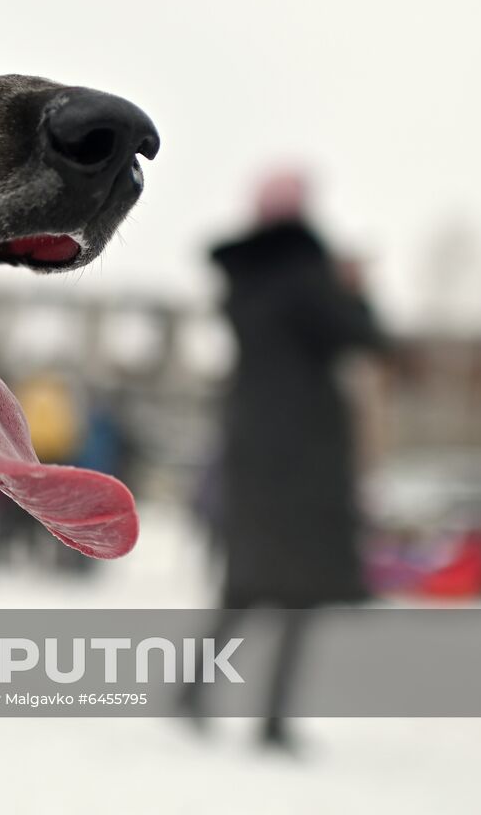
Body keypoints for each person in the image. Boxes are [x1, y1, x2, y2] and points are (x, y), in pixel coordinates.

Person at [186, 169, 389, 749]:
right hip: (305, 450)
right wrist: (353, 289)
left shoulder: (243, 279)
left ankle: (194, 691)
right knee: (301, 589)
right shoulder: (307, 277)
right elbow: (366, 337)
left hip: (251, 443)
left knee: (246, 585)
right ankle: (273, 720)